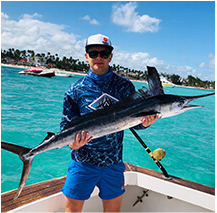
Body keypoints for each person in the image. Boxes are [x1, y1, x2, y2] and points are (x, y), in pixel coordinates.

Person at [58, 34, 158, 212]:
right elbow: (66, 127)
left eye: (104, 54)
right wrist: (73, 145)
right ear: (86, 56)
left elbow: (133, 123)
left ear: (110, 57)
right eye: (93, 53)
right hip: (82, 163)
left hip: (113, 164)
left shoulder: (125, 87)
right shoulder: (75, 90)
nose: (98, 58)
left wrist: (145, 123)